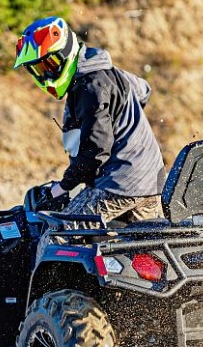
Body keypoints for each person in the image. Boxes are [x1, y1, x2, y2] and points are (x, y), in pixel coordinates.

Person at [13, 16, 165, 225]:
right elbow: (143, 90)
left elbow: (95, 151)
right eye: (38, 69)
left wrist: (61, 188)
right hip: (150, 181)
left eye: (50, 64)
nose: (47, 74)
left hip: (118, 184)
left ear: (67, 51)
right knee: (135, 242)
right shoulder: (109, 72)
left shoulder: (90, 87)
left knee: (58, 234)